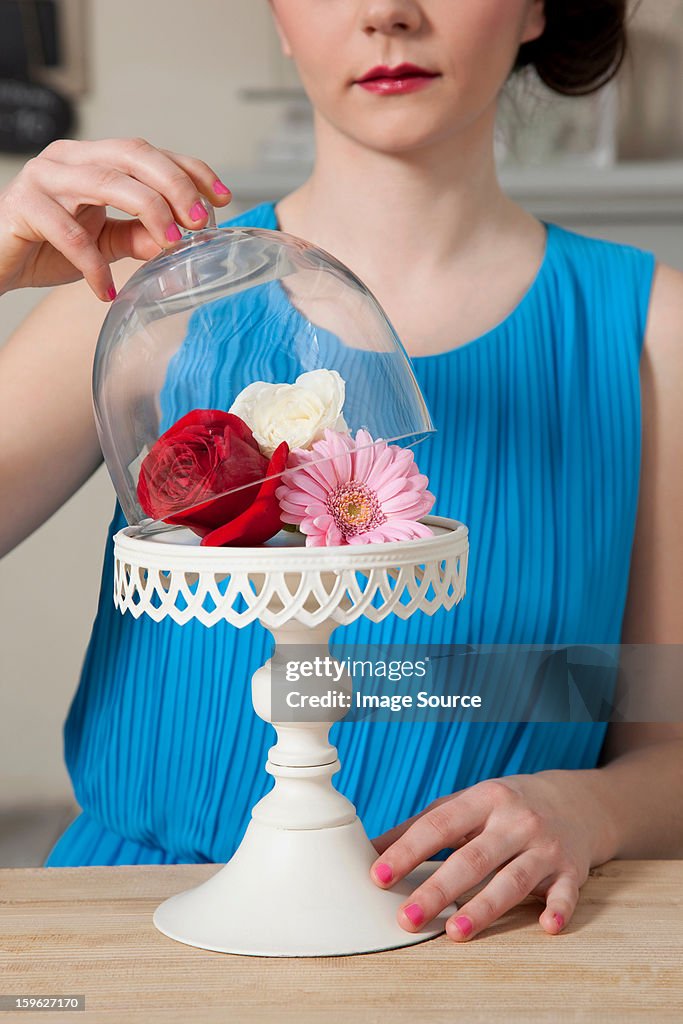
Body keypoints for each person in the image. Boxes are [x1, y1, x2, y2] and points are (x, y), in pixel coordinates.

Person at [1, 0, 681, 944]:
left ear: (534, 8)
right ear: (278, 17)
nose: (386, 13)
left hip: (480, 939)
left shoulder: (651, 332)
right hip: (137, 928)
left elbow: (666, 724)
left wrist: (595, 811)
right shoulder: (143, 303)